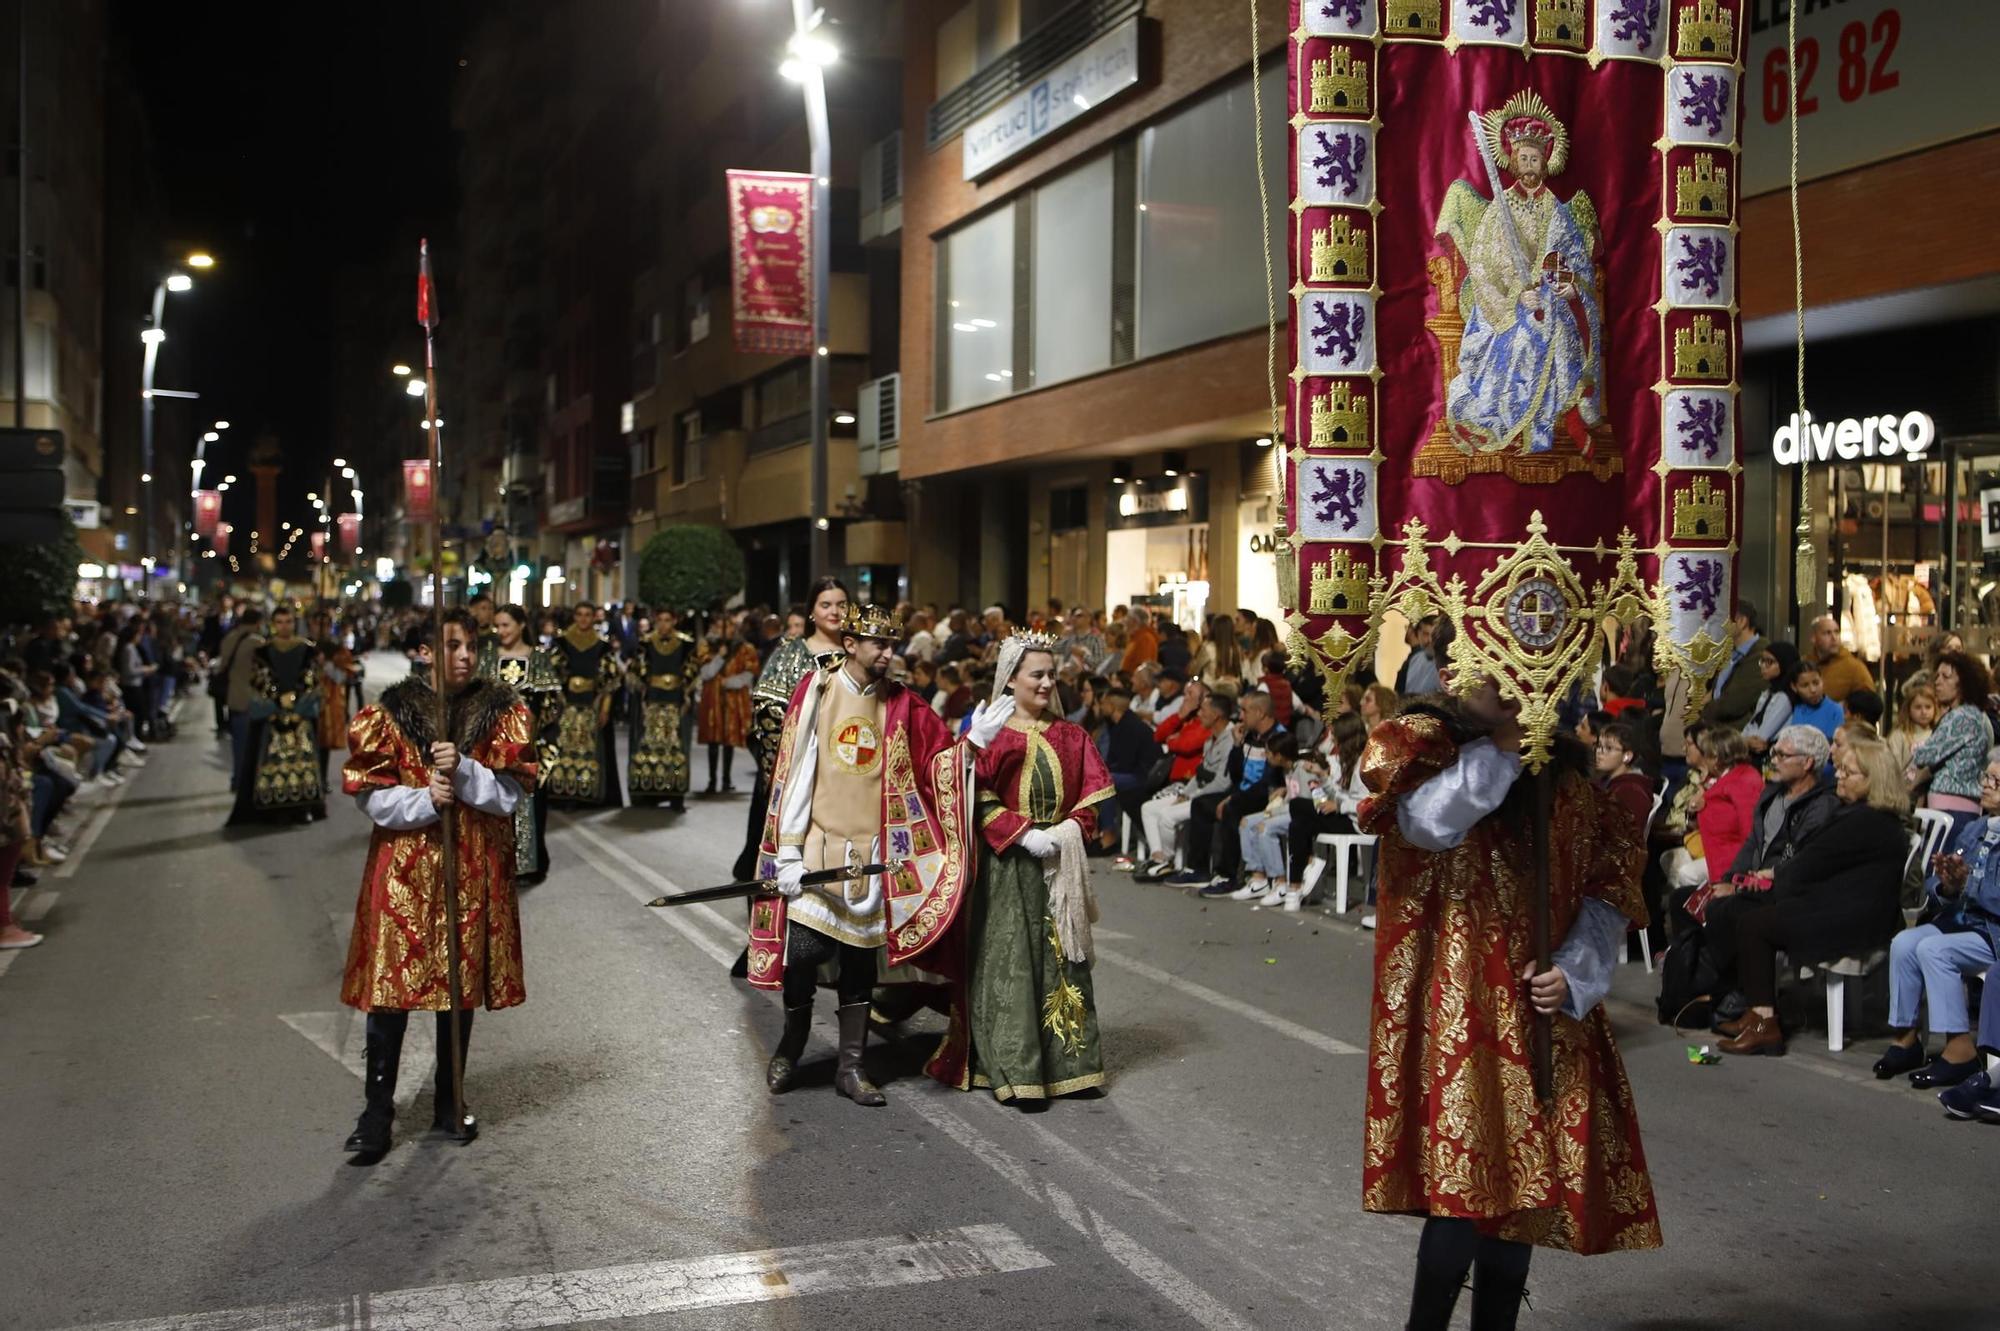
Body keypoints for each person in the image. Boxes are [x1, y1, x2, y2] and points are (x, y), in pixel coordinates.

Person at [1359, 680, 1659, 1329]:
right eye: (1492, 678)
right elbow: (1426, 824)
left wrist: (1575, 970)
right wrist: (1500, 751)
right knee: (1464, 1188)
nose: (1505, 688)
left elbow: (1608, 887)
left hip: (1538, 1011)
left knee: (1522, 1188)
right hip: (1460, 1013)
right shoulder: (1427, 748)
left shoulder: (1574, 789)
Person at [751, 603, 998, 1107]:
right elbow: (797, 773)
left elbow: (938, 766)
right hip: (817, 851)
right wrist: (791, 853)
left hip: (873, 859)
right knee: (801, 959)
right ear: (851, 645)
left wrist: (972, 748)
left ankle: (852, 1066)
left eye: (893, 645)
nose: (889, 654)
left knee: (859, 968)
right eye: (879, 645)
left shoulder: (904, 703)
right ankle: (790, 1047)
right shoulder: (818, 690)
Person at [339, 609, 537, 1158]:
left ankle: (450, 1101)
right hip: (403, 872)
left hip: (470, 867)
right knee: (390, 993)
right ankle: (376, 1112)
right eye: (452, 645)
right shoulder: (391, 714)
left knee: (459, 984)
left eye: (472, 645)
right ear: (426, 651)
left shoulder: (502, 712)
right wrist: (423, 799)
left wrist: (468, 769)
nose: (467, 656)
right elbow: (370, 797)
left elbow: (512, 796)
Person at [927, 629, 1113, 1104]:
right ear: (1011, 680)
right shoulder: (990, 734)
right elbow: (973, 796)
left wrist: (1068, 831)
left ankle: (1073, 1067)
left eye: (1052, 674)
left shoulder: (1073, 736)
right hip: (1007, 865)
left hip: (1056, 865)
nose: (1048, 682)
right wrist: (1022, 834)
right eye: (1038, 674)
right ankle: (1015, 1067)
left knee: (1061, 962)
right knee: (1011, 963)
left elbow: (1092, 797)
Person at [1717, 738, 1909, 1056]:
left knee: (1754, 923)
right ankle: (1756, 1014)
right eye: (1841, 770)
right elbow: (1814, 863)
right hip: (1852, 907)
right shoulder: (1868, 816)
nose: (1840, 777)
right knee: (1752, 912)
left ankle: (1764, 1023)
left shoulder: (1863, 821)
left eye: (1849, 773)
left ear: (1873, 780)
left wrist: (1774, 882)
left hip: (1853, 918)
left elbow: (1808, 865)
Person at [1875, 748, 2000, 1092]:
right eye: (1986, 778)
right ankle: (1906, 1038)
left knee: (1934, 950)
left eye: (1996, 781)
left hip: (1991, 931)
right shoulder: (1975, 828)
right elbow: (1935, 882)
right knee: (1904, 942)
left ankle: (1959, 1047)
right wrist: (1947, 884)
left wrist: (1967, 885)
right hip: (1961, 922)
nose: (1986, 786)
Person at [479, 603, 560, 884]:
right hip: (495, 746)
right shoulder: (488, 658)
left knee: (532, 804)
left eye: (506, 625)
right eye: (497, 626)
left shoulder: (538, 657)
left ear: (521, 625)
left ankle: (531, 865)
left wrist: (534, 730)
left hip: (530, 746)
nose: (500, 631)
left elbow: (551, 704)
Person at [1176, 691, 1287, 894]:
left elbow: (1267, 783)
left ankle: (1228, 875)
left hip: (1266, 795)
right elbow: (1236, 775)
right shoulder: (1249, 735)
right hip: (1241, 791)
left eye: (1245, 711)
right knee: (1201, 804)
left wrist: (1232, 798)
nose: (1241, 716)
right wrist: (1237, 745)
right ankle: (1198, 869)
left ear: (1260, 712)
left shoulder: (1279, 737)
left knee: (1232, 808)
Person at [229, 605, 325, 825]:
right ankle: (274, 809)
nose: (284, 626)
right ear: (273, 624)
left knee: (303, 763)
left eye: (288, 621)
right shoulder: (262, 652)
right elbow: (258, 681)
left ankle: (303, 808)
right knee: (274, 763)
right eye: (280, 622)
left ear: (295, 623)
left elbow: (313, 680)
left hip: (299, 718)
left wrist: (297, 702)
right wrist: (275, 702)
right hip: (273, 720)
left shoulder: (307, 649)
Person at [1135, 687, 1237, 882]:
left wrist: (1191, 796)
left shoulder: (1230, 739)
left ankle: (1168, 860)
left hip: (1211, 796)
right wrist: (1185, 793)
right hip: (1196, 791)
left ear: (1216, 715)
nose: (1199, 714)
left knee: (1167, 816)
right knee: (1148, 808)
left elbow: (1222, 782)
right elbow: (1200, 774)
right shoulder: (1211, 739)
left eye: (1203, 710)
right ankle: (1158, 857)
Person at [1907, 651, 1995, 840]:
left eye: (1946, 676)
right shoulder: (1968, 715)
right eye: (1937, 676)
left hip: (1952, 815)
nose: (1938, 682)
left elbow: (1924, 755)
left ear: (1964, 683)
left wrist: (1916, 747)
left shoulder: (1963, 716)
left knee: (1939, 868)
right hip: (1949, 811)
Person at [543, 603, 623, 808]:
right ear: (574, 617)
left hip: (590, 704)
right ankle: (564, 794)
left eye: (588, 615)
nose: (584, 619)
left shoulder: (602, 645)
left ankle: (586, 795)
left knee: (588, 750)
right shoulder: (561, 642)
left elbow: (610, 681)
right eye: (579, 614)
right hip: (567, 704)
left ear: (593, 618)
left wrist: (605, 708)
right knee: (565, 748)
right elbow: (551, 674)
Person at [1661, 728, 1761, 891]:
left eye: (1706, 755)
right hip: (1711, 848)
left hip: (1732, 857)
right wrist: (1694, 809)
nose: (1703, 759)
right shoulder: (1715, 779)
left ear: (1716, 757)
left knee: (1687, 874)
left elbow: (1749, 829)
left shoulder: (1744, 780)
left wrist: (1741, 873)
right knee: (1669, 860)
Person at [1231, 733, 1303, 904]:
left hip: (1297, 813)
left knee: (1265, 828)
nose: (1266, 756)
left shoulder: (1301, 769)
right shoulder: (1285, 770)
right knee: (1246, 823)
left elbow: (1301, 802)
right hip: (1284, 809)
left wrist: (1276, 811)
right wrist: (1283, 792)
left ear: (1279, 756)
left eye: (1269, 753)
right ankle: (1258, 878)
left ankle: (1280, 882)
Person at [1095, 684, 1162, 855]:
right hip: (1126, 773)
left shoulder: (1132, 727)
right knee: (1097, 779)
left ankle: (1108, 834)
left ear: (1112, 706)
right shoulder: (1116, 725)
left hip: (1142, 776)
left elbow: (1127, 763)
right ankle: (1096, 833)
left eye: (1103, 703)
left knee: (1105, 782)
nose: (1101, 707)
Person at [696, 615, 759, 795]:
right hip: (712, 700)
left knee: (728, 740)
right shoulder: (706, 647)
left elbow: (748, 674)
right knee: (713, 740)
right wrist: (720, 658)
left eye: (729, 626)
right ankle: (712, 780)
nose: (725, 630)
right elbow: (706, 673)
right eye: (720, 626)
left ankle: (726, 779)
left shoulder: (745, 648)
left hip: (732, 699)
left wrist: (730, 682)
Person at [218, 608, 266, 792]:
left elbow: (223, 664)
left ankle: (237, 780)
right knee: (253, 746)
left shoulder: (230, 638)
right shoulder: (257, 643)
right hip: (252, 700)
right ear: (257, 622)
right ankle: (249, 782)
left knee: (238, 744)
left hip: (234, 697)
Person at [311, 610, 358, 791]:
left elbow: (341, 677)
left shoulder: (337, 650)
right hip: (307, 702)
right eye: (317, 624)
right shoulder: (305, 645)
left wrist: (326, 664)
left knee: (323, 744)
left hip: (328, 704)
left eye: (325, 625)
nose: (321, 628)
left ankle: (322, 779)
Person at [1702, 601, 1768, 729]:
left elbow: (1733, 704)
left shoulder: (1762, 654)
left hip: (1734, 732)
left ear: (1741, 621)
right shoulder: (1731, 653)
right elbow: (1715, 692)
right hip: (1715, 726)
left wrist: (1701, 711)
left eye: (1722, 619)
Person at [1592, 719, 1654, 834]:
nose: (1599, 752)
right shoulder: (1606, 782)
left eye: (1609, 748)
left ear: (1627, 756)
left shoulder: (1631, 791)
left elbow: (1625, 835)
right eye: (1599, 746)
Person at [1739, 640, 1800, 754]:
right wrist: (1744, 740)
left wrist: (1742, 741)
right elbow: (1749, 728)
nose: (1763, 666)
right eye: (1762, 661)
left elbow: (1760, 739)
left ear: (1784, 663)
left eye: (1769, 662)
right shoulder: (1768, 692)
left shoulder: (1784, 697)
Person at [1808, 613, 1874, 705]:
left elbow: (1870, 701)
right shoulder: (1806, 664)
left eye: (1836, 632)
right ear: (1814, 638)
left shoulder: (1854, 667)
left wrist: (1844, 708)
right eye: (1827, 633)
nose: (1834, 638)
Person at [1887, 682, 1937, 779]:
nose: (1924, 712)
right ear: (1908, 709)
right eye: (1918, 707)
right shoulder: (1899, 736)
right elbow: (1893, 768)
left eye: (1928, 707)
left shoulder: (1938, 734)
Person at [1785, 665, 1843, 744]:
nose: (1813, 690)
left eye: (1816, 683)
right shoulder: (1796, 707)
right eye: (1805, 685)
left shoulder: (1835, 711)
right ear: (1794, 687)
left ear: (1822, 681)